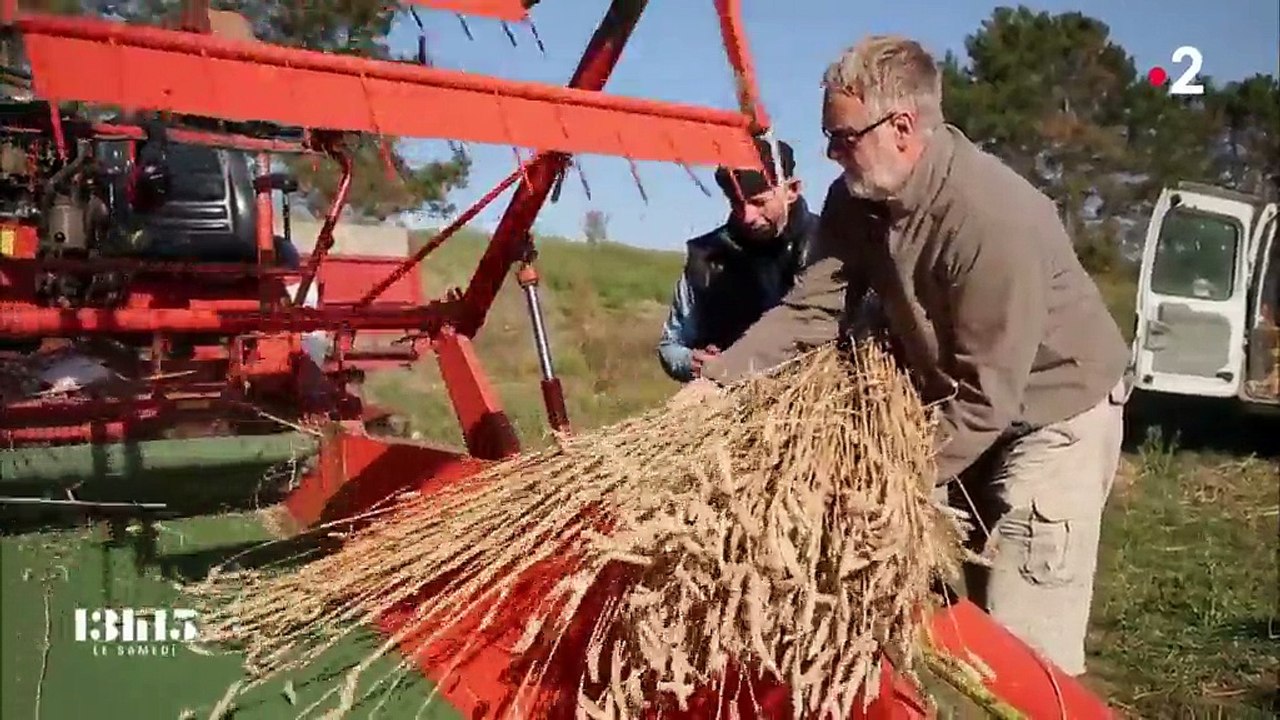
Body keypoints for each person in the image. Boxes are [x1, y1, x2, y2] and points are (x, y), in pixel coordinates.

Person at [693, 35, 1131, 677]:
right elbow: (815, 309)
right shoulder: (857, 198)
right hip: (966, 403)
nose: (830, 153)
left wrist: (877, 479)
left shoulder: (990, 219)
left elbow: (987, 397)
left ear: (901, 126)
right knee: (923, 608)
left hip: (1052, 415)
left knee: (1023, 652)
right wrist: (722, 380)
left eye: (841, 137)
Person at [656, 138, 821, 382]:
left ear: (792, 190)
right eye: (736, 203)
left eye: (758, 202)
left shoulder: (829, 246)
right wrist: (693, 362)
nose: (747, 216)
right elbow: (671, 345)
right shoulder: (706, 257)